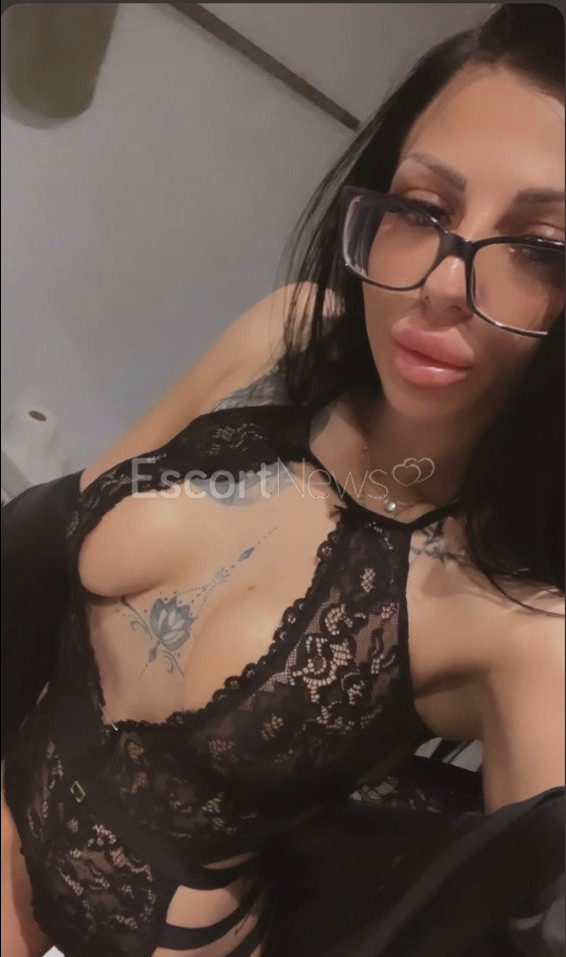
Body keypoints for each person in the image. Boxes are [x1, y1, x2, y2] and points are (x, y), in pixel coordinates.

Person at [1, 4, 564, 956]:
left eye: (540, 249)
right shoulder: (283, 338)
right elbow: (71, 513)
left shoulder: (524, 632)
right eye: (423, 211)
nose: (440, 284)